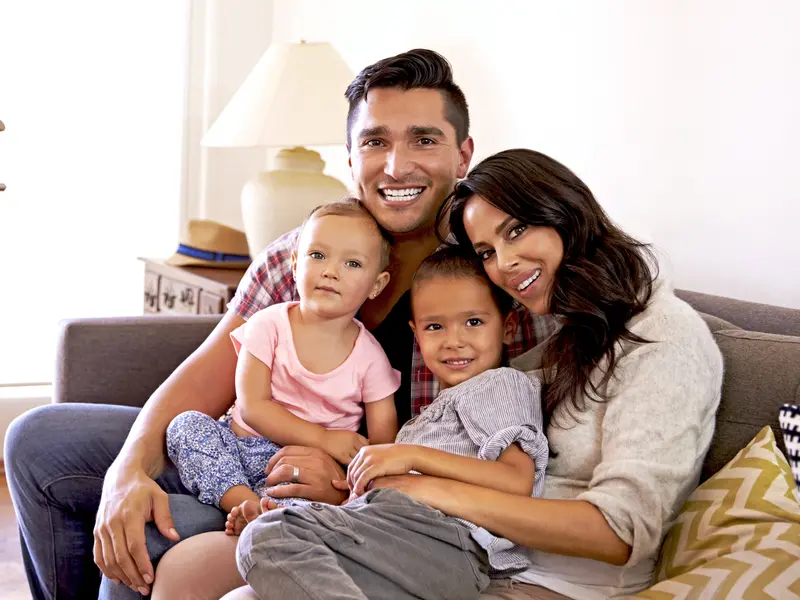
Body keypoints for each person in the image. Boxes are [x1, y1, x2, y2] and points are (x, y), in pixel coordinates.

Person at [4, 49, 554, 599]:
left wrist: (342, 488)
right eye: (375, 142)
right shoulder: (298, 254)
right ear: (349, 156)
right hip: (235, 451)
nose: (395, 166)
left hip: (344, 505)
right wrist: (130, 469)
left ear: (463, 156)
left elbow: (508, 462)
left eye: (424, 140)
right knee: (38, 439)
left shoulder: (494, 276)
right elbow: (207, 377)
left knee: (151, 531)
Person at [152, 246, 549, 600]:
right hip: (385, 532)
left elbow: (516, 481)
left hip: (449, 544)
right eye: (435, 326)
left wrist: (409, 455)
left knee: (265, 536)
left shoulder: (500, 383)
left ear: (508, 328)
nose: (454, 340)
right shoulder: (427, 418)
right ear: (416, 334)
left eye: (474, 322)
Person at [166, 199, 401, 537]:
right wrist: (324, 438)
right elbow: (253, 406)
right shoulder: (269, 324)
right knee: (185, 426)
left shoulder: (371, 359)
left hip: (301, 470)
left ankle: (267, 513)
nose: (330, 271)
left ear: (376, 285)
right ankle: (244, 503)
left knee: (318, 505)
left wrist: (345, 469)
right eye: (318, 256)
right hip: (238, 443)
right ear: (294, 264)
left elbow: (382, 446)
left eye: (352, 263)